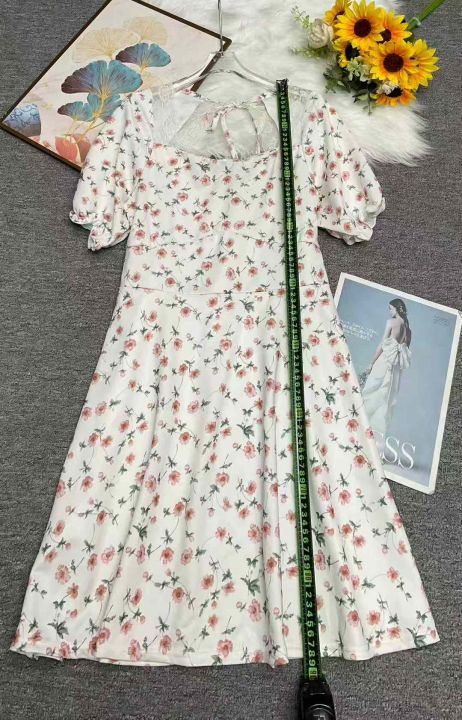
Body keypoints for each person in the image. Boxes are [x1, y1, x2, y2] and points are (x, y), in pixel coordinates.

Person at [362, 298, 412, 437]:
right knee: (387, 396)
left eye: (390, 308)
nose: (389, 311)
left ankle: (362, 421)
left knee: (372, 388)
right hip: (395, 367)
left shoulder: (391, 322)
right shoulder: (408, 330)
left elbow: (382, 345)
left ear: (396, 309)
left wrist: (371, 363)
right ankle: (375, 430)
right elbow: (404, 352)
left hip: (384, 360)